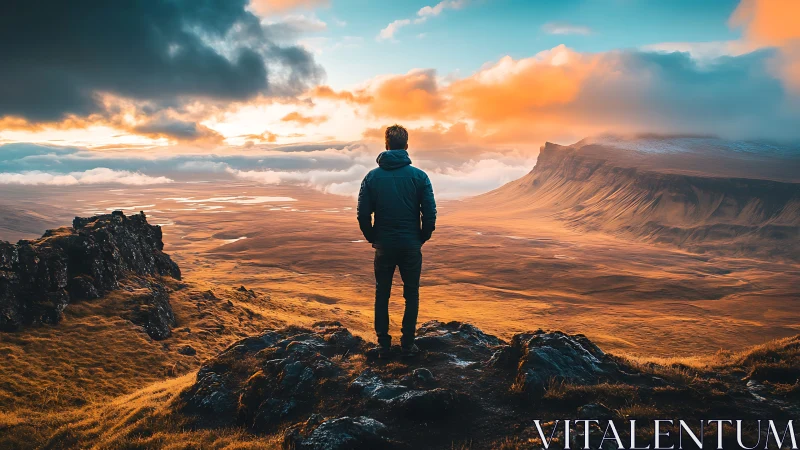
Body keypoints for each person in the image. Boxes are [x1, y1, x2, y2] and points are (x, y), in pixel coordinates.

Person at [357, 124, 437, 358]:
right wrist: (421, 237)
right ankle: (408, 344)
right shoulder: (419, 177)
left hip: (384, 245)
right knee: (411, 294)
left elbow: (363, 214)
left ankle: (383, 344)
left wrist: (374, 237)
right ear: (407, 146)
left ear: (386, 145)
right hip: (410, 244)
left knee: (382, 293)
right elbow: (430, 214)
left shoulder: (372, 177)